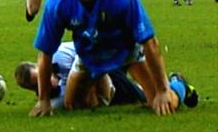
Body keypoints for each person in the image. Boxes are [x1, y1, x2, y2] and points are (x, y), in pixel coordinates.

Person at [30, 0, 198, 117]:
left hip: (127, 52)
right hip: (88, 54)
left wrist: (163, 90)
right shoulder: (58, 3)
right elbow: (45, 53)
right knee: (74, 105)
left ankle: (178, 85)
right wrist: (43, 100)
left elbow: (150, 42)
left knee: (163, 103)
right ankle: (102, 91)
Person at [15, 42, 146, 110]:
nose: (46, 82)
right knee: (139, 96)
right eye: (36, 84)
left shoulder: (59, 55)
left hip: (104, 55)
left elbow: (88, 61)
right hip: (101, 76)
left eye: (41, 77)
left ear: (40, 66)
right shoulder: (53, 100)